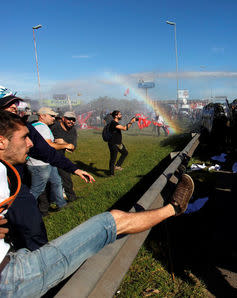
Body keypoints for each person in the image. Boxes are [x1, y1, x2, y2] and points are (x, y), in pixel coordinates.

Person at [0, 110, 195, 297]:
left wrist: (74, 169)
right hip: (12, 278)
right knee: (114, 219)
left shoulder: (7, 169)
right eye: (24, 137)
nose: (31, 143)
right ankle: (174, 208)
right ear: (1, 142)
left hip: (13, 259)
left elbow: (47, 153)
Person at [0, 86, 94, 251]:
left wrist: (74, 169)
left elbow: (47, 152)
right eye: (9, 104)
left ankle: (39, 263)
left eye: (15, 103)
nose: (15, 107)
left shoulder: (25, 127)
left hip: (17, 189)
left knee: (31, 227)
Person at [26, 107, 73, 210]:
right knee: (37, 189)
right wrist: (66, 145)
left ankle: (61, 204)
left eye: (54, 116)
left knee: (56, 181)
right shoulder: (42, 127)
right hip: (39, 164)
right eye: (51, 116)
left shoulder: (38, 126)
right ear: (42, 116)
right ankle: (23, 210)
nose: (54, 118)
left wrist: (56, 142)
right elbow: (48, 145)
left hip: (47, 162)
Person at [51, 111, 78, 202]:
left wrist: (63, 143)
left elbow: (72, 147)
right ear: (63, 118)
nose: (71, 121)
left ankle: (72, 198)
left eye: (73, 120)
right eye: (69, 119)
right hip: (48, 156)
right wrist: (66, 145)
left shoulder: (73, 129)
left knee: (66, 177)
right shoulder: (54, 127)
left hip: (60, 156)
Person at [108, 110, 136, 176]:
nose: (121, 115)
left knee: (125, 153)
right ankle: (111, 174)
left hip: (119, 143)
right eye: (120, 114)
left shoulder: (116, 123)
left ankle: (117, 166)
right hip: (113, 144)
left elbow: (124, 128)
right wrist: (131, 122)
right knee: (113, 158)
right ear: (116, 116)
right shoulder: (113, 123)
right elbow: (124, 128)